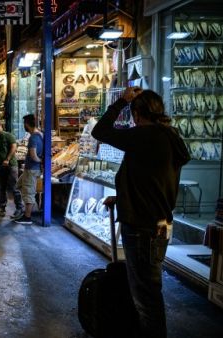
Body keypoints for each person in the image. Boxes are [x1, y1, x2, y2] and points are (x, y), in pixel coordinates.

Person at [92, 88, 190, 338]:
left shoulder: (144, 135)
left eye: (133, 111)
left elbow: (99, 131)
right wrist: (124, 196)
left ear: (137, 114)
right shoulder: (169, 136)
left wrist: (121, 101)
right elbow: (151, 179)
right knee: (149, 289)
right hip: (158, 223)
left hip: (141, 226)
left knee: (146, 296)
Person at [14, 115, 43, 224]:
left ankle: (27, 217)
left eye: (24, 124)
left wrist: (39, 161)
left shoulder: (33, 137)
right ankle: (24, 209)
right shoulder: (40, 135)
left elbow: (33, 154)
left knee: (29, 192)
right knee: (18, 186)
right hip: (30, 169)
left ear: (26, 124)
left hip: (31, 169)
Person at [0, 121, 23, 218]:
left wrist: (7, 159)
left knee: (14, 188)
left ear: (1, 127)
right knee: (2, 188)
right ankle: (2, 208)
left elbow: (14, 147)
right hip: (1, 167)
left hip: (11, 166)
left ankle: (19, 209)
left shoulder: (8, 136)